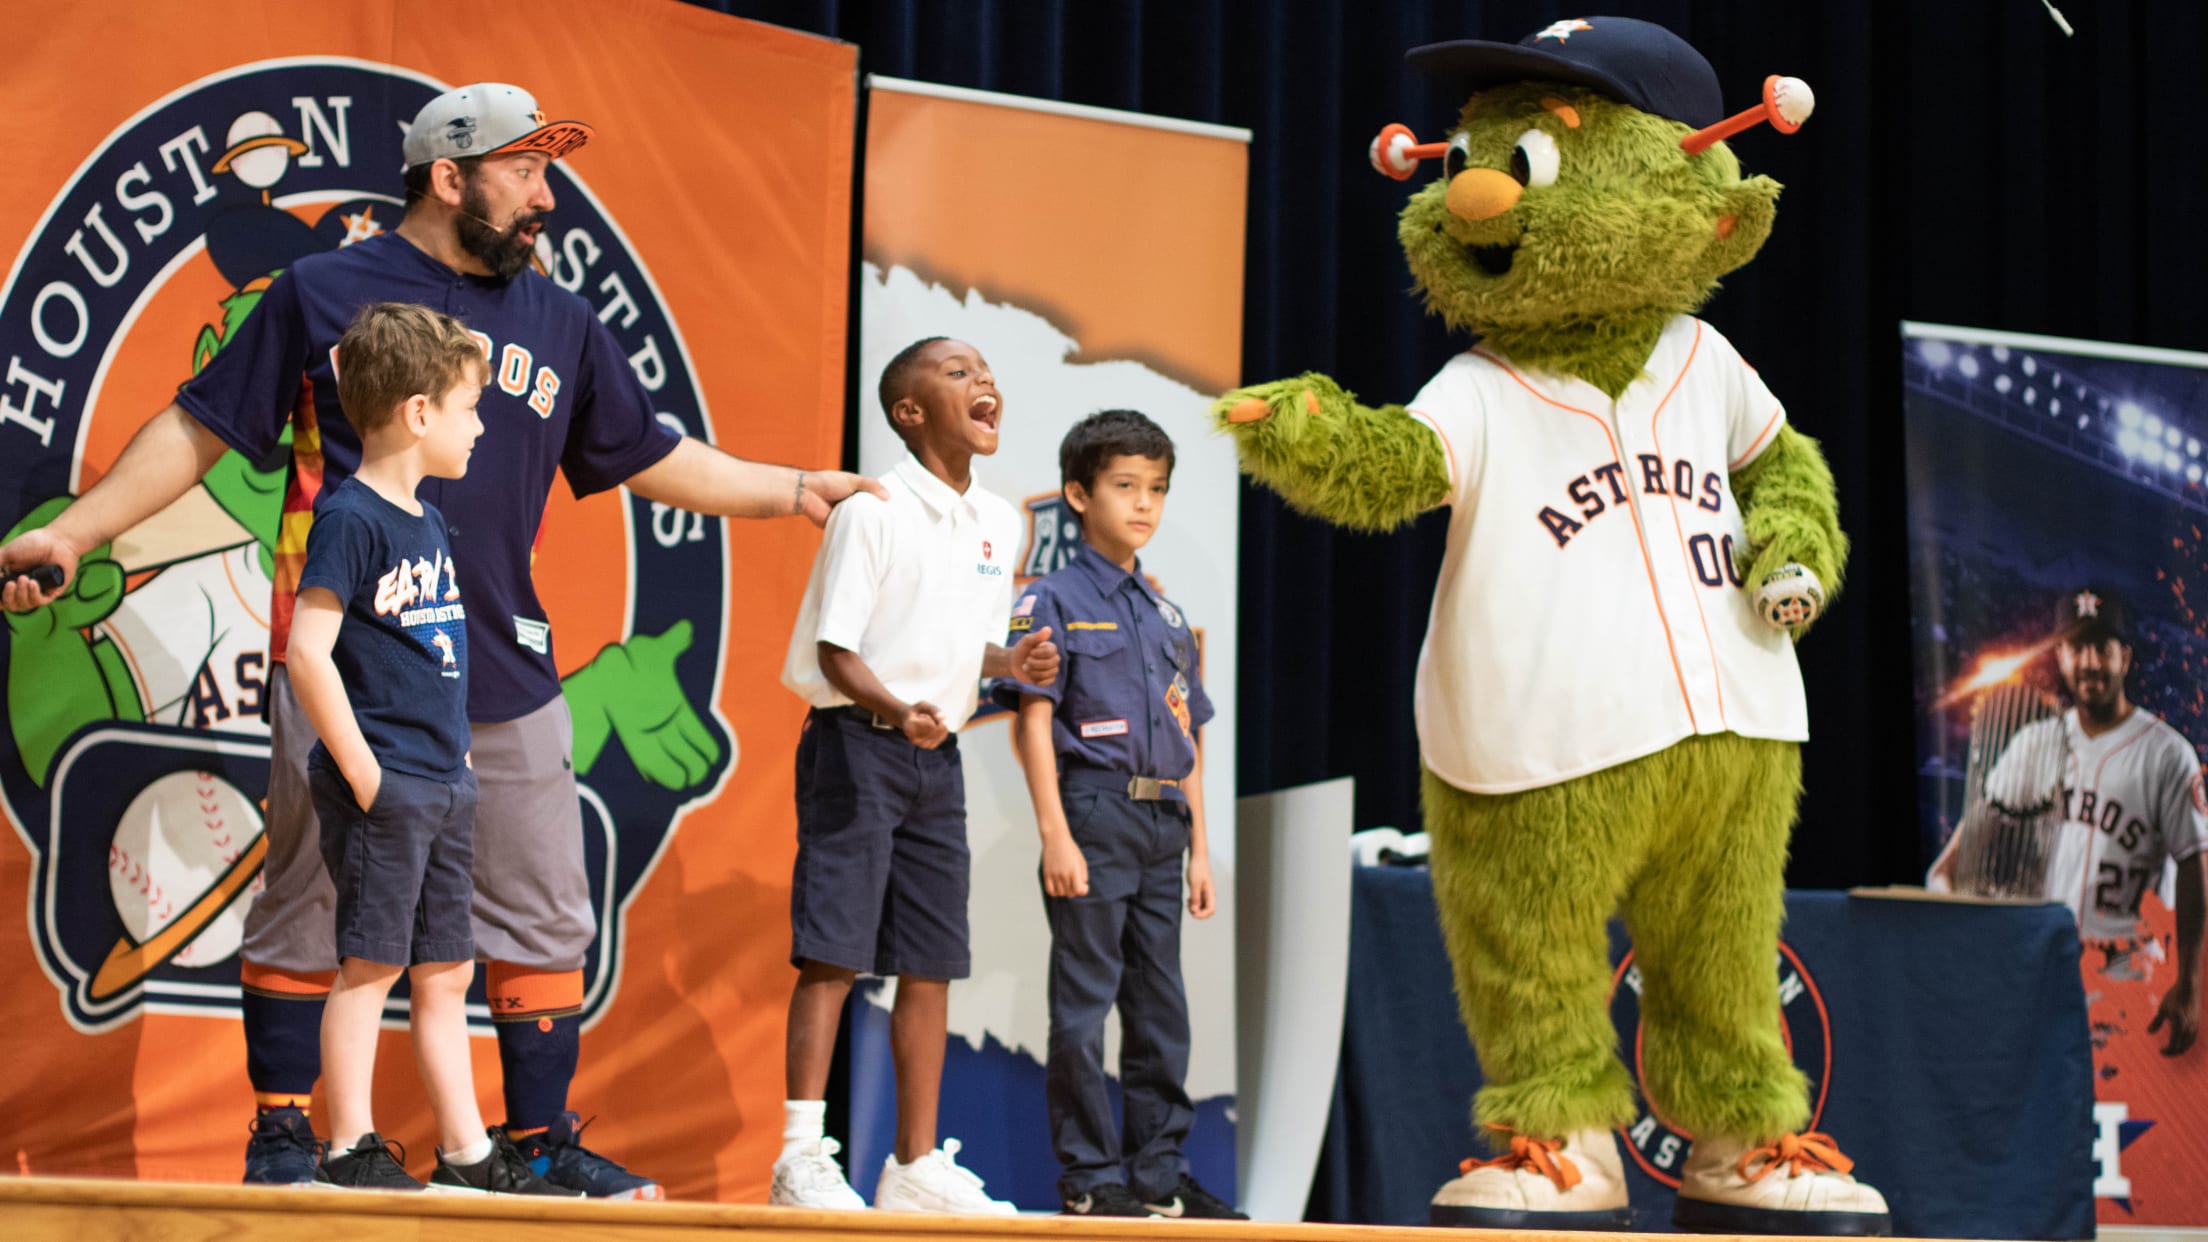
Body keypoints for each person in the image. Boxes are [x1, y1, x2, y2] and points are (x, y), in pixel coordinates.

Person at [0, 82, 883, 1195]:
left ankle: (530, 1146)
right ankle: (285, 1136)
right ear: (449, 176)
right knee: (312, 895)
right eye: (525, 172)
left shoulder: (559, 319)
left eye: (547, 175)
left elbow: (646, 453)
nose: (546, 198)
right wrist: (76, 532)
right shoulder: (323, 290)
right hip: (352, 670)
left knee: (541, 907)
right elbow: (198, 425)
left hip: (505, 666)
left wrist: (796, 487)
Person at [770, 337, 1056, 1213]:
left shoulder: (1000, 521)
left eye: (988, 372)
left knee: (930, 959)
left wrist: (1013, 660)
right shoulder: (876, 509)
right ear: (910, 411)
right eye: (961, 372)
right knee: (835, 951)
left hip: (938, 756)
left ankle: (914, 1168)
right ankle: (799, 1155)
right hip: (856, 743)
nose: (987, 383)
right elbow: (837, 648)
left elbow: (954, 638)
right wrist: (899, 710)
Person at [296, 302, 567, 1193]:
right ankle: (348, 1148)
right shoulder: (352, 518)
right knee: (370, 967)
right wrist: (368, 774)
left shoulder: (426, 520)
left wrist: (443, 772)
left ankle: (465, 1152)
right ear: (419, 414)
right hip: (392, 784)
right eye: (468, 408)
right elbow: (308, 652)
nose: (481, 426)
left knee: (446, 969)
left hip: (445, 782)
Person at [993, 410, 1241, 1219]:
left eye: (1158, 489)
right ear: (1078, 493)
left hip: (1163, 822)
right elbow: (1032, 723)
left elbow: (1188, 735)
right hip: (1093, 814)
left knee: (1160, 1006)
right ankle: (1091, 1178)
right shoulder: (1049, 599)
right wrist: (1055, 833)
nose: (1144, 505)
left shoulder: (1166, 617)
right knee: (1084, 1004)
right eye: (1125, 486)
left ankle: (1160, 1173)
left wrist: (1201, 848)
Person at [1934, 586, 2204, 1054]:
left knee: (2125, 1121)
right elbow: (1954, 862)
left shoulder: (2166, 752)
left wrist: (2191, 982)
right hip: (2045, 974)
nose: (2090, 662)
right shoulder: (2034, 744)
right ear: (2060, 655)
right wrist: (1950, 906)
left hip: (2132, 980)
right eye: (2077, 647)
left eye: (2103, 647)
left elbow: (2196, 868)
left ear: (2126, 656)